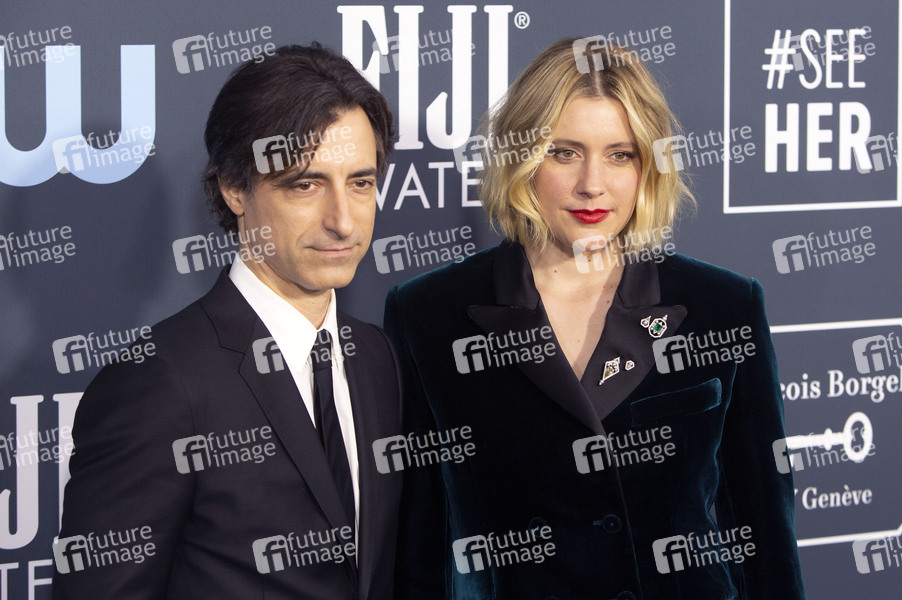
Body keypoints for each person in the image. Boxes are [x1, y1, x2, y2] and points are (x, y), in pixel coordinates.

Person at [385, 38, 806, 599]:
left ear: (648, 166)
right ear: (522, 158)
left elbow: (763, 531)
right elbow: (420, 544)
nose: (592, 184)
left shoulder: (724, 305)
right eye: (564, 152)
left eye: (620, 154)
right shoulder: (429, 312)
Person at [52, 44, 403, 600]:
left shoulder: (378, 357)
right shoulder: (158, 382)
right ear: (235, 188)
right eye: (306, 184)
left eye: (360, 183)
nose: (343, 221)